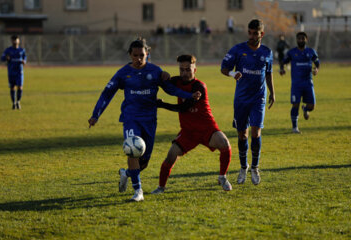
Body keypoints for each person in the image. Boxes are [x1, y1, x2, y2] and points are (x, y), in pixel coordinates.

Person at [88, 38, 200, 202]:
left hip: (149, 119)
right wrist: (95, 114)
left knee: (144, 162)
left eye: (142, 55)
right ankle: (137, 190)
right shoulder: (123, 73)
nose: (138, 59)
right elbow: (107, 93)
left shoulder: (155, 71)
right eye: (135, 55)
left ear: (147, 54)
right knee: (132, 148)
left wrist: (189, 95)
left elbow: (170, 89)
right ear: (130, 55)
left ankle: (126, 173)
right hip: (131, 117)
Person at [151, 54, 232, 194]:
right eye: (181, 69)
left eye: (188, 69)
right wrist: (162, 74)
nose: (184, 73)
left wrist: (162, 104)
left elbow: (184, 108)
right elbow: (162, 83)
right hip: (188, 132)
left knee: (225, 144)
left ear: (195, 70)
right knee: (171, 155)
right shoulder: (176, 81)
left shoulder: (199, 86)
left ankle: (222, 177)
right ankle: (160, 188)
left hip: (207, 129)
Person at [220, 19, 275, 185]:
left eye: (255, 33)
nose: (251, 36)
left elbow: (268, 72)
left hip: (259, 98)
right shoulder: (238, 50)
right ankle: (244, 167)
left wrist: (273, 91)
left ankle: (255, 167)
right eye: (249, 33)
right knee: (242, 134)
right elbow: (223, 68)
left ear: (261, 34)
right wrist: (232, 74)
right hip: (241, 99)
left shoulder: (267, 52)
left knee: (256, 132)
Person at [279, 32, 320, 134]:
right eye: (299, 39)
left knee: (312, 106)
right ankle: (295, 128)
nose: (301, 40)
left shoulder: (311, 51)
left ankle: (305, 109)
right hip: (296, 84)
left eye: (303, 39)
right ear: (296, 40)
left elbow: (317, 63)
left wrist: (316, 70)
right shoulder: (292, 52)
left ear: (306, 39)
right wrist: (282, 69)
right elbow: (283, 62)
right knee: (295, 104)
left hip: (308, 83)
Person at [0, 35, 27, 110]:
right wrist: (6, 58)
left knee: (20, 86)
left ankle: (18, 101)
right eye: (13, 40)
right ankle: (13, 103)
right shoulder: (8, 50)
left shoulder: (21, 50)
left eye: (16, 40)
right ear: (11, 41)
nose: (15, 41)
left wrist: (24, 61)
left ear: (19, 41)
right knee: (12, 87)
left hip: (19, 71)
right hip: (11, 72)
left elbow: (25, 58)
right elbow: (2, 58)